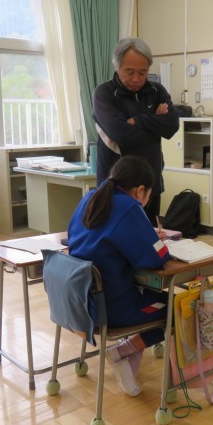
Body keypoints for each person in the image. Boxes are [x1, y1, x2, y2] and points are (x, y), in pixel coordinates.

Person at [68, 155, 171, 396]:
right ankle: (123, 351)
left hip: (80, 304)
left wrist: (144, 235)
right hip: (111, 309)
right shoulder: (129, 207)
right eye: (148, 196)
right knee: (176, 307)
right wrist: (154, 240)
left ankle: (128, 360)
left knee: (151, 296)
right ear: (140, 190)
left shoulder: (91, 197)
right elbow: (157, 257)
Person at [92, 37, 180, 227]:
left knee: (150, 239)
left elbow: (172, 126)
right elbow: (122, 135)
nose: (136, 79)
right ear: (117, 67)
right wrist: (156, 125)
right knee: (118, 239)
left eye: (143, 72)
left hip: (150, 185)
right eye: (130, 72)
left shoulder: (156, 91)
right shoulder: (104, 93)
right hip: (116, 188)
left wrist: (139, 121)